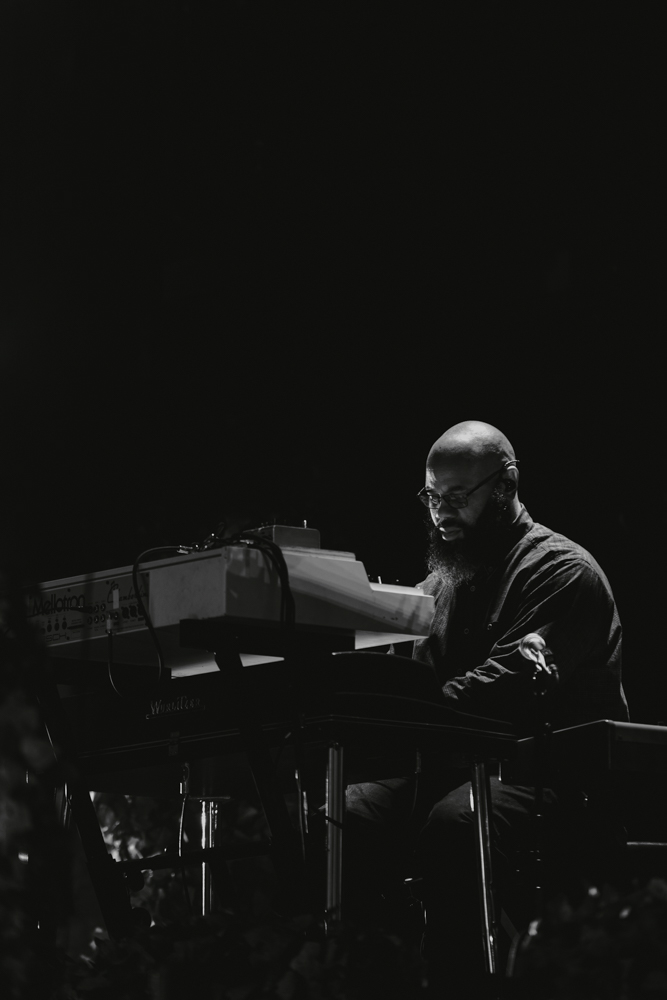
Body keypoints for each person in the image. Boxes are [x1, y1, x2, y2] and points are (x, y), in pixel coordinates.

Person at [343, 419, 629, 994]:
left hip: (550, 776)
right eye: (431, 496)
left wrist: (402, 718)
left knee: (456, 823)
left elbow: (505, 688)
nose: (441, 511)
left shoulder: (562, 570)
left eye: (457, 496)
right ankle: (364, 973)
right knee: (344, 813)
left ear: (505, 486)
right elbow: (406, 679)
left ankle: (458, 982)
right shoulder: (439, 584)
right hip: (458, 766)